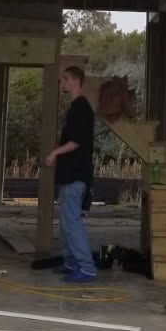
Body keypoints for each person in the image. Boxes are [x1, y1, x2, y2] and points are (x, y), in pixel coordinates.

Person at [42, 65, 97, 283]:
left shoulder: (81, 108)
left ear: (75, 81)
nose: (62, 82)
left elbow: (76, 141)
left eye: (65, 78)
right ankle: (71, 262)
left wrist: (54, 153)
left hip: (76, 175)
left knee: (72, 223)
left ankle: (87, 268)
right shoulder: (76, 108)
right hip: (70, 176)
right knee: (66, 223)